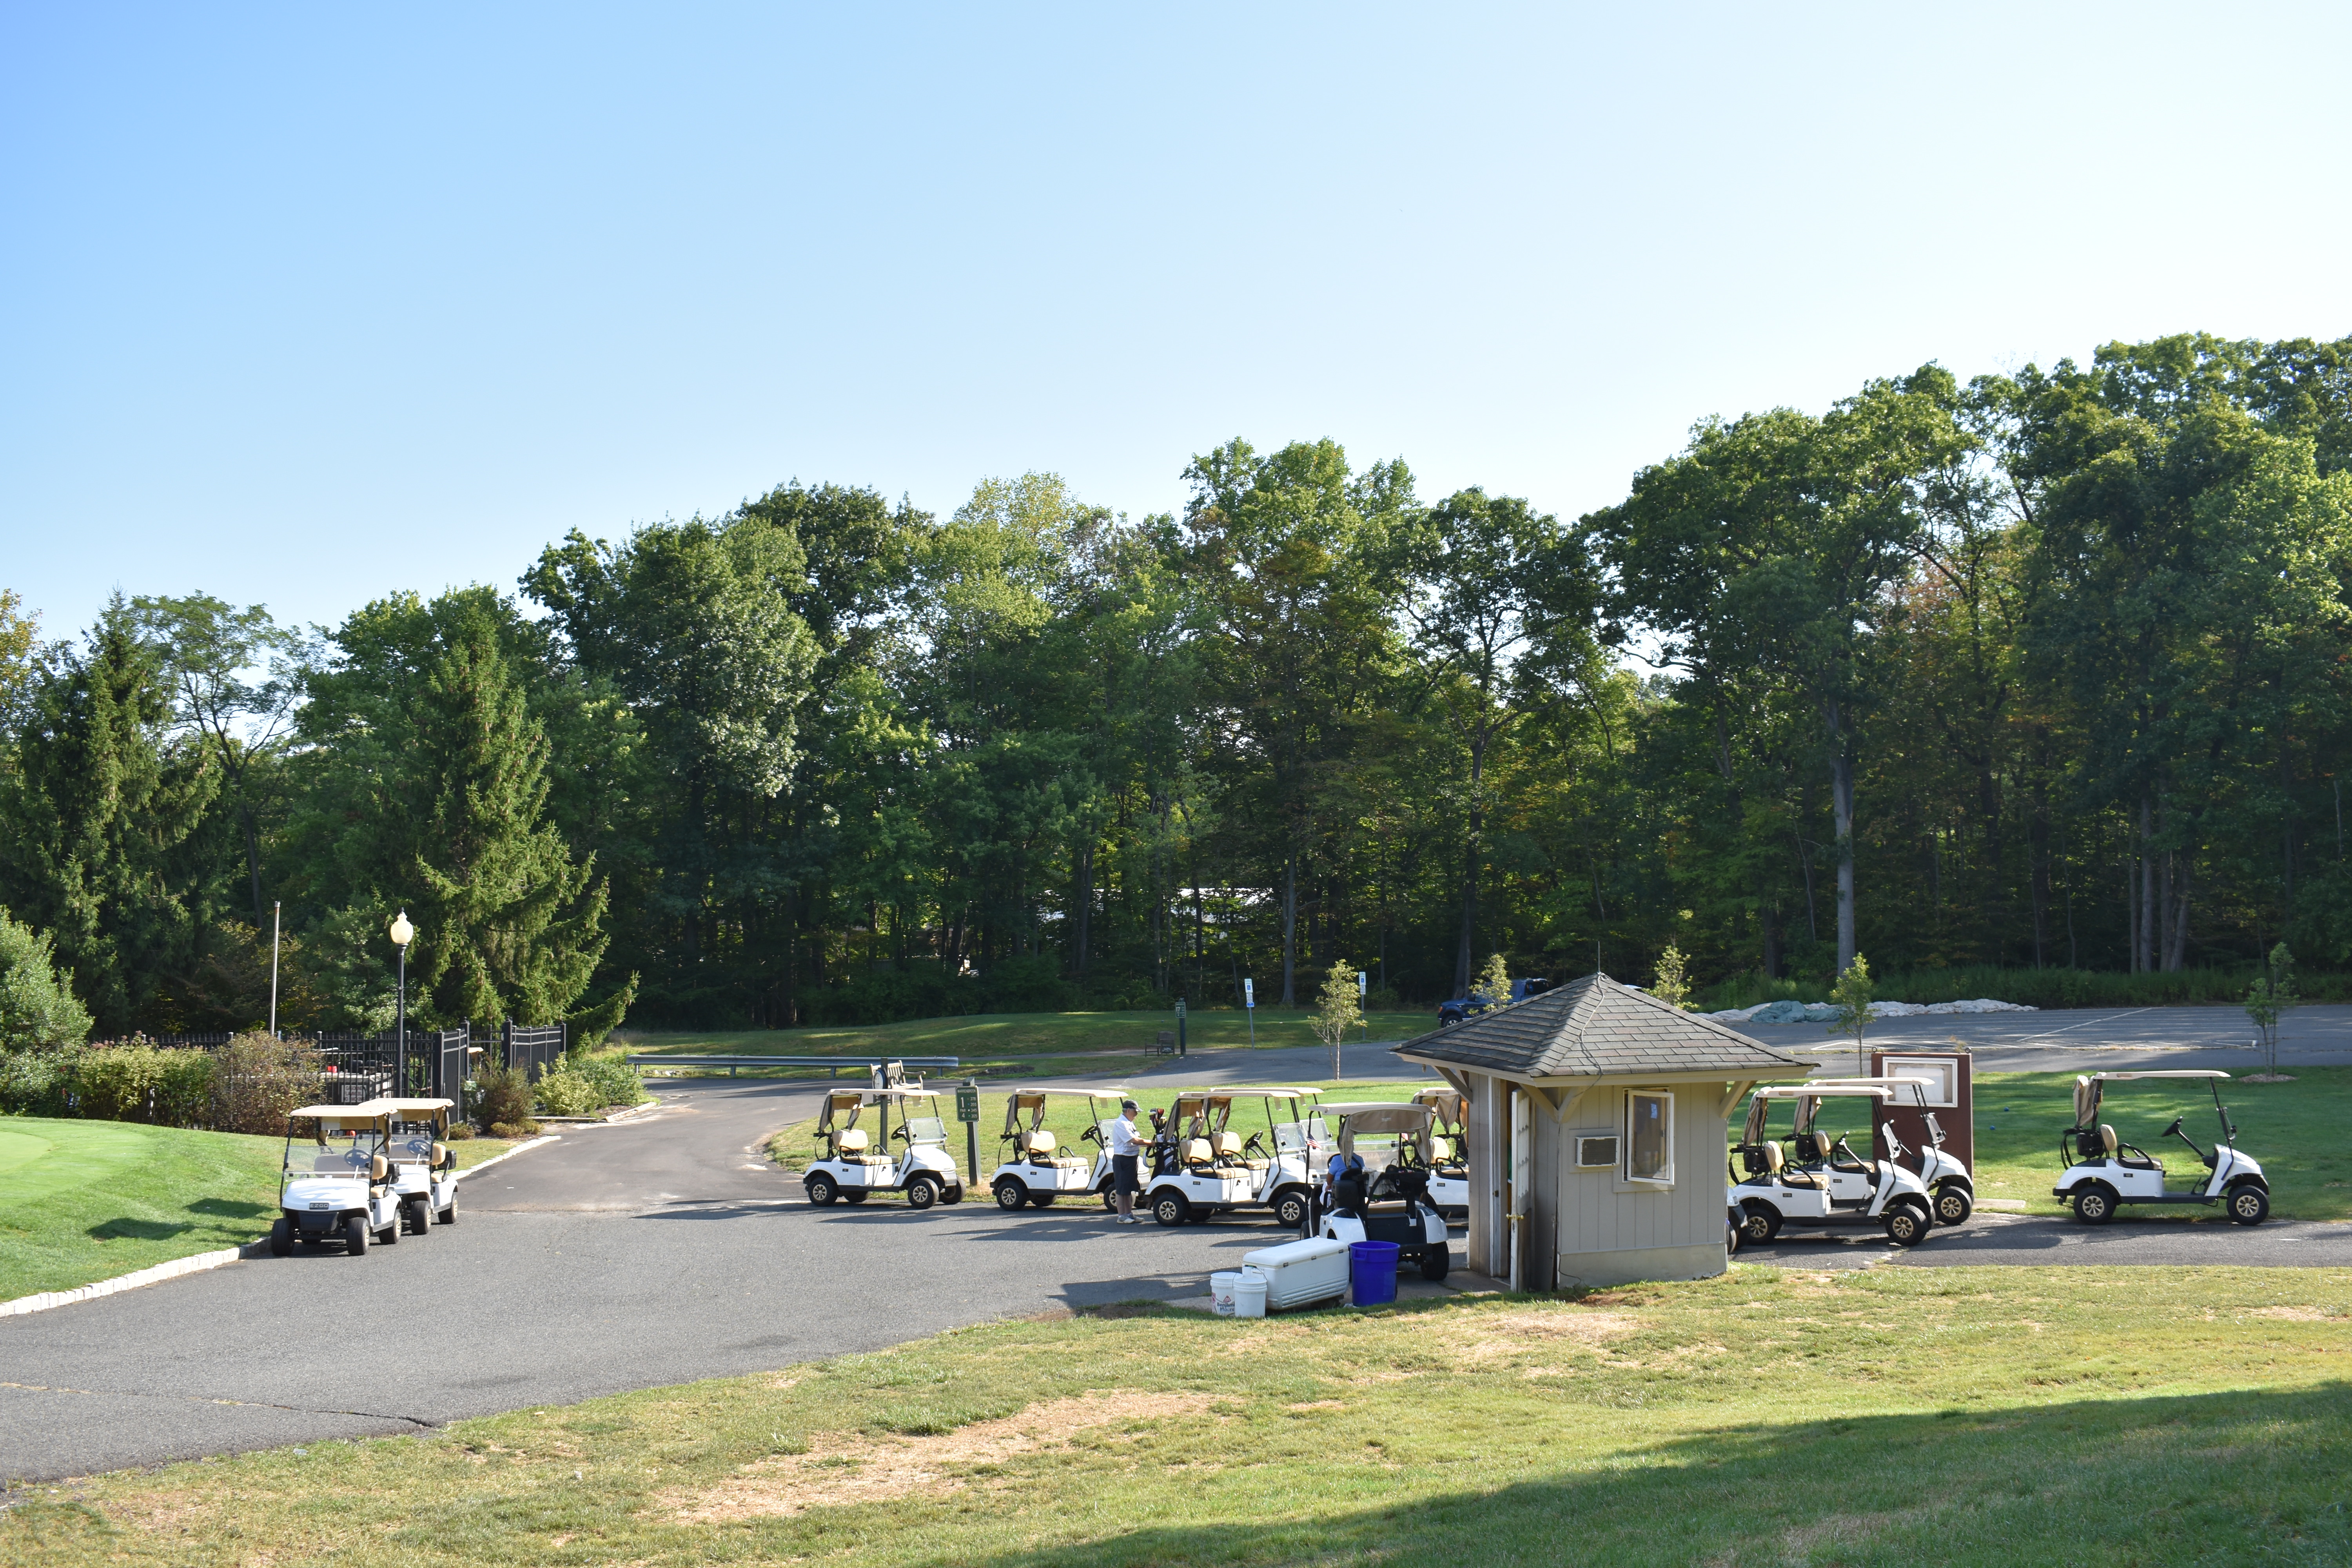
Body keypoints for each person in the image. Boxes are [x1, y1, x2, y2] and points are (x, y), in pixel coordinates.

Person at [1109, 1098, 1143, 1223]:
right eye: (1135, 1112)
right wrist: (1151, 1143)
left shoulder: (1129, 1122)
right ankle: (1121, 1216)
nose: (1136, 1115)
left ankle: (1129, 1214)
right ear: (1128, 1110)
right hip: (1123, 1159)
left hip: (1132, 1158)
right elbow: (1134, 1140)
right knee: (1122, 1189)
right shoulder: (1121, 1123)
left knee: (1129, 1189)